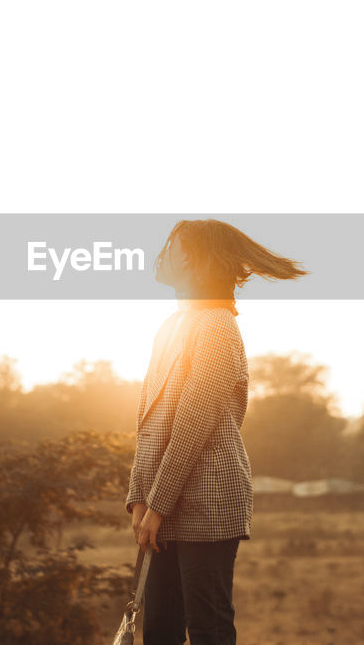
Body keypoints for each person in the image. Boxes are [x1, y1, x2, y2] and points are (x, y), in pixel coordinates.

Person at [126, 219, 306, 644]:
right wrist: (140, 499)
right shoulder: (170, 327)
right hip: (161, 504)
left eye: (174, 247)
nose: (163, 254)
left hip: (209, 499)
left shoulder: (218, 326)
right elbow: (150, 425)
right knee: (159, 630)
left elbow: (193, 425)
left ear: (194, 260)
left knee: (208, 629)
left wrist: (157, 505)